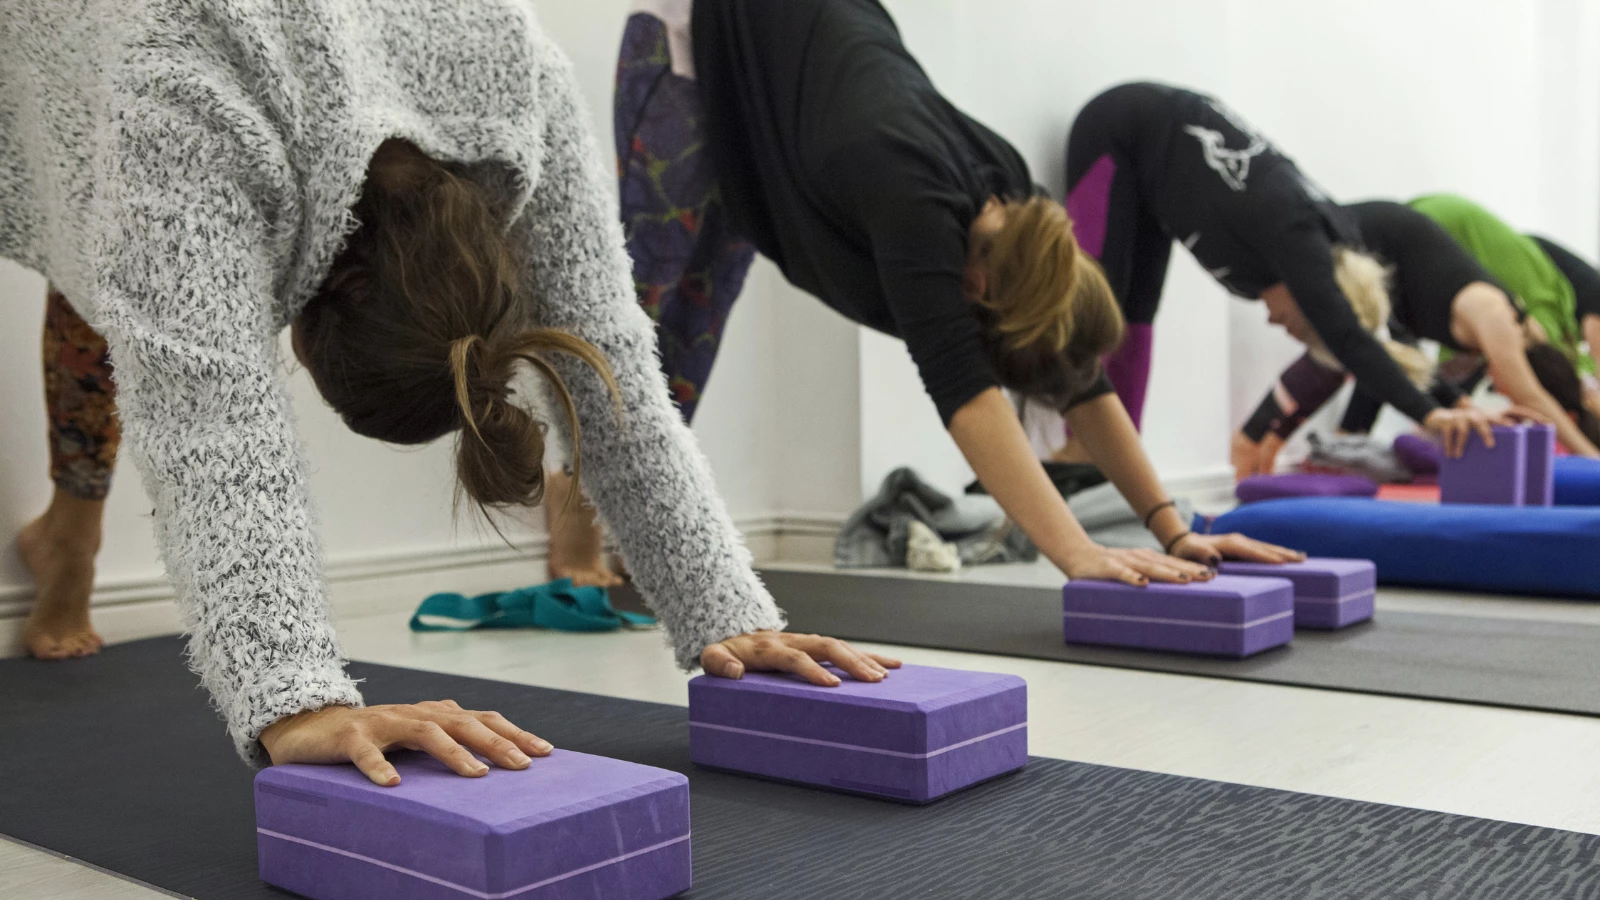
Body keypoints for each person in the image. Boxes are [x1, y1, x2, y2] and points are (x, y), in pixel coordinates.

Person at [3, 0, 900, 784]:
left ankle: (65, 533)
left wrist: (729, 618)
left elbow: (611, 367)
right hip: (76, 34)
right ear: (305, 315)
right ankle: (71, 541)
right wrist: (295, 698)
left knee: (125, 273)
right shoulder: (190, 95)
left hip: (187, 89)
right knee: (123, 270)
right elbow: (212, 416)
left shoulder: (521, 79)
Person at [541, 0, 1305, 592]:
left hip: (790, 75)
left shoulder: (1017, 210)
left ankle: (629, 527)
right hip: (695, 46)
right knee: (643, 307)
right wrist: (1077, 552)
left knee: (693, 327)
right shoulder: (913, 203)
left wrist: (1173, 527)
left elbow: (1083, 382)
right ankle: (573, 519)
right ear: (975, 288)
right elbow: (965, 392)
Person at [1056, 82, 1506, 467]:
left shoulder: (1329, 251)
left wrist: (1458, 403)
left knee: (1135, 316)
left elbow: (1385, 338)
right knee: (1099, 305)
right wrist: (1429, 416)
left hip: (1156, 170)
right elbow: (1349, 337)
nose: (1279, 326)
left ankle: (1119, 455)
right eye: (1300, 328)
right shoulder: (1299, 241)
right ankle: (1080, 450)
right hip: (1119, 129)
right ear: (1314, 299)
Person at [1233, 197, 1599, 475]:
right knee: (1335, 348)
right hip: (1357, 240)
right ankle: (1252, 446)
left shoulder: (1478, 339)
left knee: (1356, 354)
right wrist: (1590, 457)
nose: (1501, 390)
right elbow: (1529, 394)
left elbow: (1425, 373)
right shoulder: (1498, 317)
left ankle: (1260, 455)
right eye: (1503, 385)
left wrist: (1462, 407)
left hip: (1381, 253)